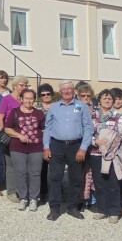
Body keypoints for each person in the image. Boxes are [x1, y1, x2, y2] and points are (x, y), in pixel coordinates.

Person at [42, 81, 93, 221]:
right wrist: (46, 146)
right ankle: (54, 208)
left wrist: (83, 148)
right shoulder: (54, 107)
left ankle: (72, 207)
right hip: (56, 146)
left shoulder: (81, 106)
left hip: (76, 146)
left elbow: (88, 128)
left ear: (74, 90)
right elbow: (48, 128)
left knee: (75, 178)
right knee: (55, 177)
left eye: (69, 89)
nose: (66, 91)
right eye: (63, 89)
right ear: (60, 91)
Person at [88, 89, 122, 224]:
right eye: (104, 98)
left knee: (113, 182)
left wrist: (110, 140)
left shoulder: (118, 116)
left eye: (110, 99)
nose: (107, 101)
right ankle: (101, 209)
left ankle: (113, 211)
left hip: (113, 155)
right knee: (99, 183)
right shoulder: (92, 116)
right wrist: (95, 142)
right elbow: (86, 133)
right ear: (99, 100)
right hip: (96, 153)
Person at [4, 88, 45, 211]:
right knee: (20, 173)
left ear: (34, 100)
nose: (28, 101)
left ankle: (34, 198)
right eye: (26, 98)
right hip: (17, 147)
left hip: (36, 147)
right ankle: (23, 198)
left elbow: (43, 129)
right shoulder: (15, 112)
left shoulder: (39, 113)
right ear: (21, 99)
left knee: (35, 174)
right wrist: (19, 135)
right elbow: (7, 128)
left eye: (31, 98)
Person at [0, 75, 29, 203]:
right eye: (21, 85)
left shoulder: (26, 100)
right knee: (11, 164)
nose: (24, 87)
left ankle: (23, 189)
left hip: (24, 136)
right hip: (10, 135)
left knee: (24, 164)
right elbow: (0, 117)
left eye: (25, 85)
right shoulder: (6, 99)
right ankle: (11, 191)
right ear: (15, 86)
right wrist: (2, 133)